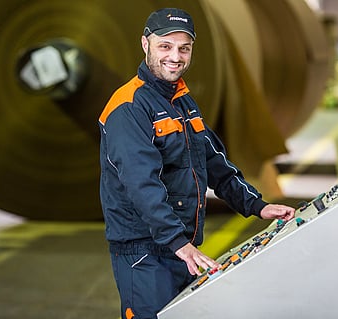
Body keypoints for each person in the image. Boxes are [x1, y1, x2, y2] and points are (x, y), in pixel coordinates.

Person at [98, 7, 295, 319]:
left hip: (181, 246)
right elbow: (141, 183)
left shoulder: (183, 102)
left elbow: (214, 163)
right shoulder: (128, 108)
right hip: (144, 253)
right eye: (166, 46)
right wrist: (178, 243)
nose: (175, 57)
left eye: (184, 49)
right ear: (145, 44)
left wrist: (257, 206)